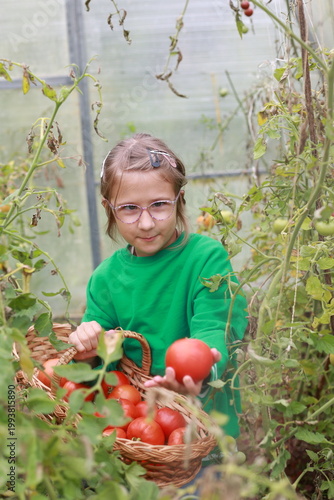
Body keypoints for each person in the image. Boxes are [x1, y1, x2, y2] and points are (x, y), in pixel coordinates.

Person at [69, 132, 248, 466]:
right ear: (109, 209)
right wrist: (87, 347)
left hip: (204, 439)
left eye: (159, 205)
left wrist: (196, 371)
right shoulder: (105, 279)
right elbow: (99, 368)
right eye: (129, 209)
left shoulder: (206, 259)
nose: (147, 222)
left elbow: (215, 328)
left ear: (178, 199)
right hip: (137, 445)